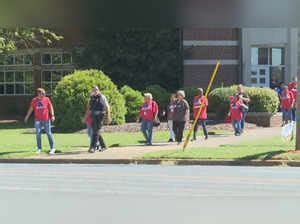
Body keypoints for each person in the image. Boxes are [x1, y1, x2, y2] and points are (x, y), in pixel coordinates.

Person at [24, 88, 55, 154]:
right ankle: (39, 148)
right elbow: (31, 109)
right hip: (37, 120)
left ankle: (52, 148)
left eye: (44, 93)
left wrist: (52, 115)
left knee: (49, 133)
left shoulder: (47, 99)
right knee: (38, 133)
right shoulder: (34, 100)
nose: (44, 94)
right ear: (38, 93)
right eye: (42, 93)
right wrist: (27, 116)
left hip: (46, 119)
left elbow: (50, 107)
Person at [88, 86, 111, 153]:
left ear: (98, 90)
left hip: (100, 115)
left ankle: (93, 147)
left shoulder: (102, 97)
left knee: (96, 131)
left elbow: (107, 106)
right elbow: (89, 107)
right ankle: (103, 146)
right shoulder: (91, 98)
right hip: (93, 116)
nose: (95, 91)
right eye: (93, 90)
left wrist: (108, 116)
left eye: (96, 90)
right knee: (96, 131)